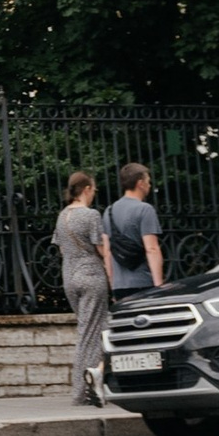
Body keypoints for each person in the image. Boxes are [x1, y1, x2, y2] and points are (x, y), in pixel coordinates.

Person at [53, 172, 110, 406]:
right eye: (93, 189)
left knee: (101, 329)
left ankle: (102, 381)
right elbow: (102, 249)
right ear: (86, 189)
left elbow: (62, 249)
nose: (94, 193)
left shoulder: (62, 216)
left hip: (70, 277)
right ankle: (81, 391)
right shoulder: (91, 215)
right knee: (90, 334)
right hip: (91, 276)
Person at [105, 163, 166, 294]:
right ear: (140, 183)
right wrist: (159, 285)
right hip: (143, 282)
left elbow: (107, 252)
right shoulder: (145, 209)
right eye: (148, 181)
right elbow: (152, 249)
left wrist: (112, 283)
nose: (149, 185)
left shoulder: (109, 211)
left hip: (119, 285)